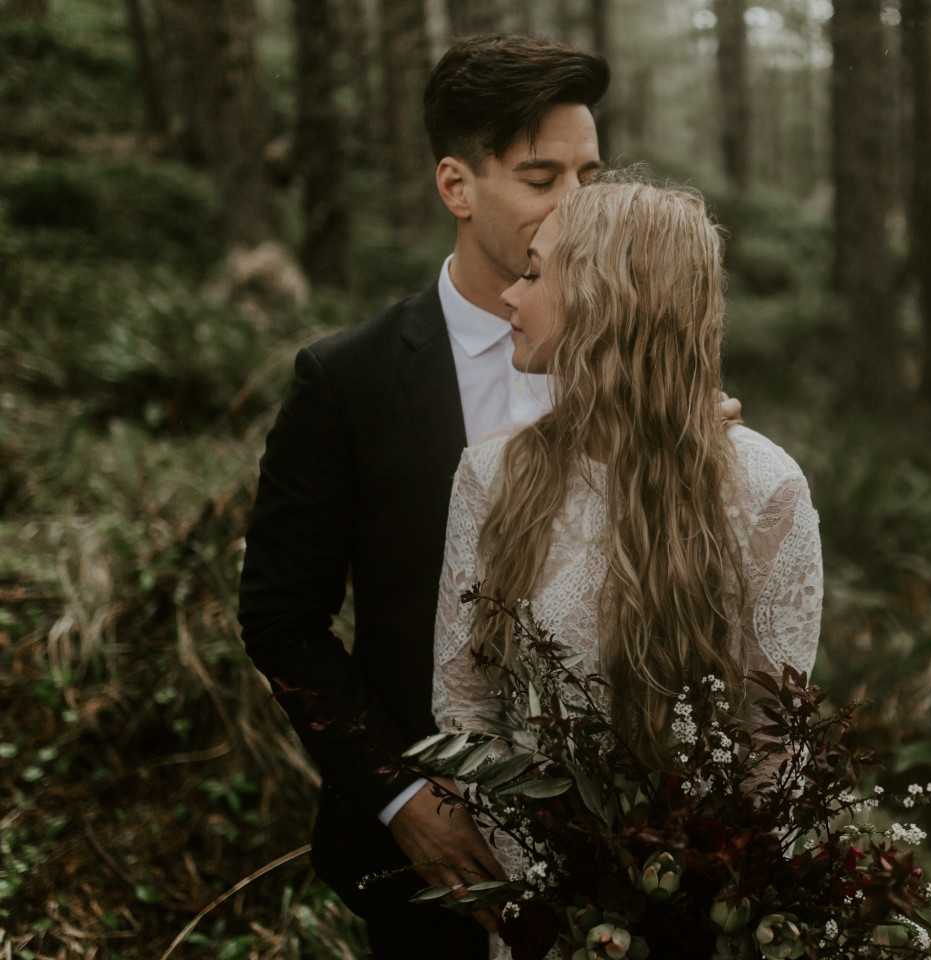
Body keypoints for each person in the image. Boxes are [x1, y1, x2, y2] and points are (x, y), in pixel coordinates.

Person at [238, 36, 613, 958]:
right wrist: (402, 796)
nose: (577, 209)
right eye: (540, 178)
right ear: (457, 186)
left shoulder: (632, 364)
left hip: (622, 856)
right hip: (430, 865)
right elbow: (282, 615)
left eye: (590, 176)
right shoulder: (346, 381)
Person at [430, 179, 824, 960]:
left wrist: (706, 904)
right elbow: (464, 702)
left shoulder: (762, 486)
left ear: (608, 300)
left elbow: (772, 740)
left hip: (702, 917)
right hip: (548, 917)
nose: (509, 292)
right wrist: (553, 895)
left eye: (536, 274)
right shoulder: (490, 476)